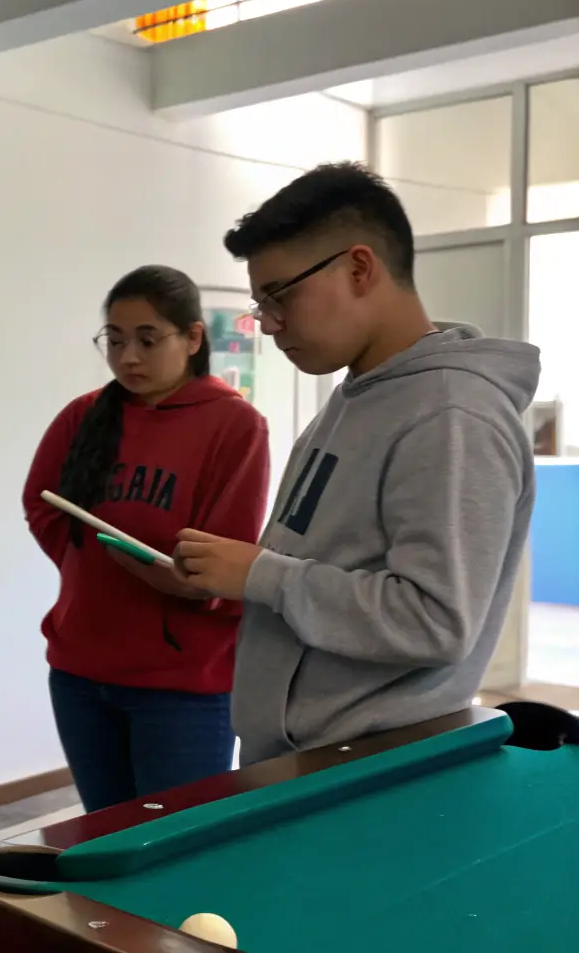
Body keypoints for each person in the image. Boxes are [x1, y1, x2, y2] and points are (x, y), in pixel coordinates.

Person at [175, 161, 540, 765]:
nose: (268, 324)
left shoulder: (451, 414)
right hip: (303, 755)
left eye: (280, 296)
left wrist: (261, 575)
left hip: (369, 769)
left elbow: (436, 621)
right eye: (260, 302)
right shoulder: (360, 393)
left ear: (359, 268)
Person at [22, 266, 270, 813]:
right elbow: (42, 505)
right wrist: (91, 565)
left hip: (183, 687)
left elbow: (224, 554)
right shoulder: (84, 416)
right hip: (81, 674)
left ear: (193, 339)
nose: (128, 357)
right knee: (106, 838)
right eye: (114, 340)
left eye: (148, 340)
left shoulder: (235, 425)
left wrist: (164, 576)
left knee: (173, 850)